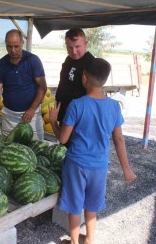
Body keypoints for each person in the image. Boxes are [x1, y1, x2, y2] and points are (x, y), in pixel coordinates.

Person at [49, 58, 136, 244]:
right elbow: (119, 139)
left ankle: (73, 241)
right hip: (100, 166)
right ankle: (89, 239)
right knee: (92, 205)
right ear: (104, 80)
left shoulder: (76, 105)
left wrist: (53, 121)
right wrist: (126, 168)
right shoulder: (114, 107)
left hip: (76, 165)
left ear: (84, 77)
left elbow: (63, 138)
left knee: (74, 205)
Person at [0, 29, 47, 140]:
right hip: (9, 117)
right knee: (9, 148)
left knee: (36, 148)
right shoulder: (1, 64)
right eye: (9, 47)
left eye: (16, 46)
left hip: (31, 116)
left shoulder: (33, 60)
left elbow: (42, 87)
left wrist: (32, 109)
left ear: (22, 43)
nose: (13, 50)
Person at [55, 28, 95, 146]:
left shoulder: (90, 63)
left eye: (77, 46)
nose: (74, 51)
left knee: (74, 150)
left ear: (86, 44)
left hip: (78, 119)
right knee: (63, 150)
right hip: (65, 115)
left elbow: (92, 94)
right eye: (69, 47)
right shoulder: (69, 59)